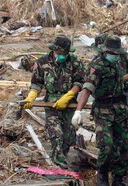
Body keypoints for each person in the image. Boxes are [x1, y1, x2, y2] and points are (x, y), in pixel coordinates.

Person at [71, 35, 128, 186]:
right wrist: (78, 111)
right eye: (113, 53)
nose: (116, 56)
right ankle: (102, 175)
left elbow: (118, 81)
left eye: (117, 54)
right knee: (107, 146)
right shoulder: (97, 65)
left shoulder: (117, 63)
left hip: (120, 110)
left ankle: (119, 180)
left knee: (125, 147)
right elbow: (87, 88)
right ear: (106, 51)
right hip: (103, 111)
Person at [21, 35, 85, 168]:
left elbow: (79, 82)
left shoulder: (75, 62)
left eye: (64, 54)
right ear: (54, 51)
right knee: (56, 134)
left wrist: (69, 95)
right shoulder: (42, 62)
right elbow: (36, 83)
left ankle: (62, 156)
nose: (61, 56)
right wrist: (31, 97)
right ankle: (58, 162)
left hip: (69, 103)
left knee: (68, 136)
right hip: (51, 104)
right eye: (59, 53)